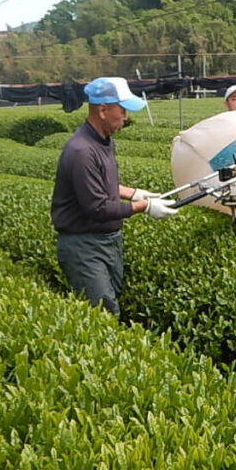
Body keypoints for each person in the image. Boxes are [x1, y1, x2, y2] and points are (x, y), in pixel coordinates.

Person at [51, 76, 178, 316]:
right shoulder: (82, 151)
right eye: (122, 110)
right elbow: (97, 208)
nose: (126, 117)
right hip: (85, 246)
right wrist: (145, 206)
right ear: (102, 110)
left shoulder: (104, 141)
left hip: (109, 241)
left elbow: (102, 184)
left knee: (111, 301)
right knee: (103, 312)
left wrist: (134, 193)